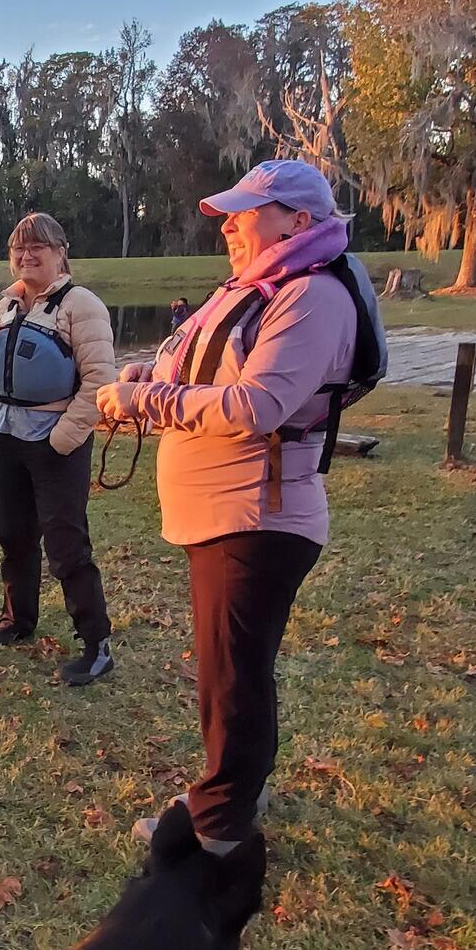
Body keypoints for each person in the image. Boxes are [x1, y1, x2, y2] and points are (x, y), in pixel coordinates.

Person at [96, 159, 361, 857]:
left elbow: (258, 405)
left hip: (257, 518)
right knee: (233, 667)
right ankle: (239, 788)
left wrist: (144, 402)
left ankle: (220, 824)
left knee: (233, 674)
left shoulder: (312, 296)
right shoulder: (262, 287)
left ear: (299, 221)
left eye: (248, 214)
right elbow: (212, 367)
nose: (232, 228)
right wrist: (150, 375)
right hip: (227, 513)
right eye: (232, 215)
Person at [0, 212, 117, 686]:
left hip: (57, 444)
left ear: (61, 253)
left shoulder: (82, 305)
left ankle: (97, 644)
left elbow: (99, 381)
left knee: (65, 544)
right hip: (7, 437)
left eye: (39, 247)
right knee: (12, 534)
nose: (27, 255)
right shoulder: (6, 306)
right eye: (18, 248)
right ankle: (18, 619)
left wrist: (63, 438)